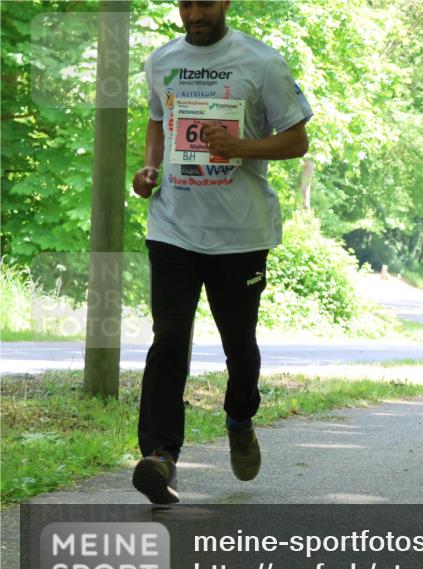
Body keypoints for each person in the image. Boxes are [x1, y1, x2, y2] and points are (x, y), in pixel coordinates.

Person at [130, 0, 311, 504]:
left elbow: (297, 140)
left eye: (204, 2)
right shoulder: (161, 60)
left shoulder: (261, 62)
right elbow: (156, 120)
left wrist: (239, 149)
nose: (194, 14)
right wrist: (149, 169)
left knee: (239, 345)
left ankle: (239, 418)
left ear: (226, 1)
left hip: (241, 234)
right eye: (185, 3)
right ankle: (160, 456)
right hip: (173, 226)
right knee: (168, 339)